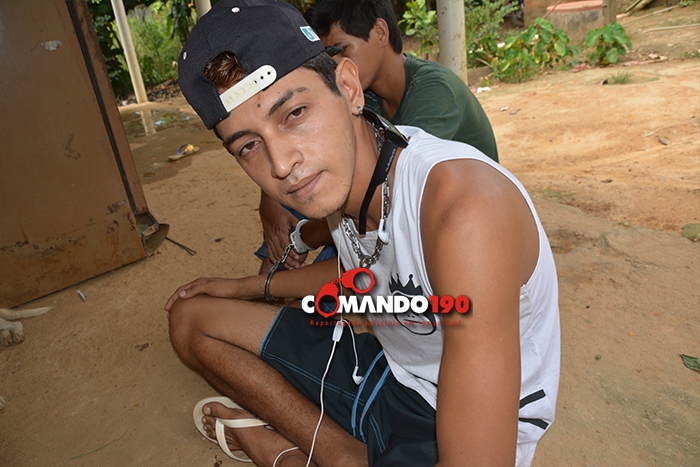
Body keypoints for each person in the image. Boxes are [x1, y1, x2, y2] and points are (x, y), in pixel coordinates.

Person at [168, 1, 560, 466]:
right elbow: (367, 270)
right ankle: (338, 453)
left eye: (294, 113)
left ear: (349, 87)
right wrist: (249, 287)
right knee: (191, 318)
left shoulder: (466, 213)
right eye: (249, 145)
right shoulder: (349, 173)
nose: (281, 164)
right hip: (390, 372)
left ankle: (284, 453)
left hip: (465, 420)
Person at [257, 0, 499, 272]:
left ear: (381, 33)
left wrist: (301, 238)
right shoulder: (364, 94)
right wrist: (270, 204)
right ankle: (269, 285)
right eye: (326, 57)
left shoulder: (435, 91)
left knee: (333, 225)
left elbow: (386, 196)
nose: (333, 65)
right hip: (390, 211)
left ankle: (273, 285)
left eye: (341, 49)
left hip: (455, 223)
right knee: (304, 184)